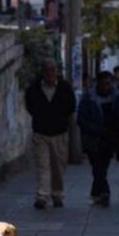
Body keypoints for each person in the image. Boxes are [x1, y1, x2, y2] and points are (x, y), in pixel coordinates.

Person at [24, 58, 77, 209]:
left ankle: (57, 193)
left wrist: (60, 118)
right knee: (43, 164)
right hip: (41, 132)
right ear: (42, 72)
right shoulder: (34, 89)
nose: (50, 73)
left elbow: (71, 106)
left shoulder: (65, 88)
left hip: (59, 132)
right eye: (47, 70)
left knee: (58, 166)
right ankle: (42, 195)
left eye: (52, 70)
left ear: (56, 72)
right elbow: (30, 105)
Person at [77, 70, 119, 206]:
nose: (106, 87)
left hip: (109, 137)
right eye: (103, 84)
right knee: (97, 166)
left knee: (103, 166)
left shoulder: (117, 97)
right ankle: (104, 192)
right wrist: (94, 129)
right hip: (93, 138)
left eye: (108, 83)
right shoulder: (89, 97)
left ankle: (97, 193)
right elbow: (82, 118)